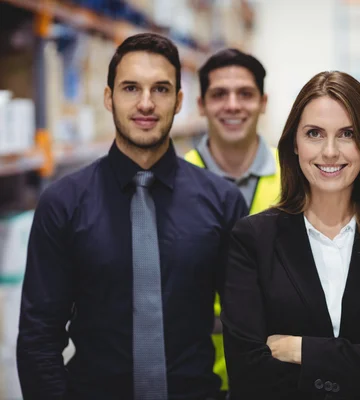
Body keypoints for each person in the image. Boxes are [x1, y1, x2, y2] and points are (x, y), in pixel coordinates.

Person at [16, 33, 247, 400]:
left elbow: (247, 333)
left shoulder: (223, 203)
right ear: (109, 98)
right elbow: (38, 338)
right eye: (130, 88)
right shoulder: (63, 203)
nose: (145, 103)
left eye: (160, 89)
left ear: (179, 100)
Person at [221, 71, 360, 400]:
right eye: (314, 134)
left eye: (347, 134)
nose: (331, 151)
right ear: (295, 142)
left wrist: (301, 350)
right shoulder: (252, 240)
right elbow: (249, 374)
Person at [184, 48, 280, 397]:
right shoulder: (173, 181)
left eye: (245, 94)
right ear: (200, 104)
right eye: (219, 94)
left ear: (263, 101)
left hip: (278, 378)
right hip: (194, 377)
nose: (233, 105)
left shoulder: (298, 180)